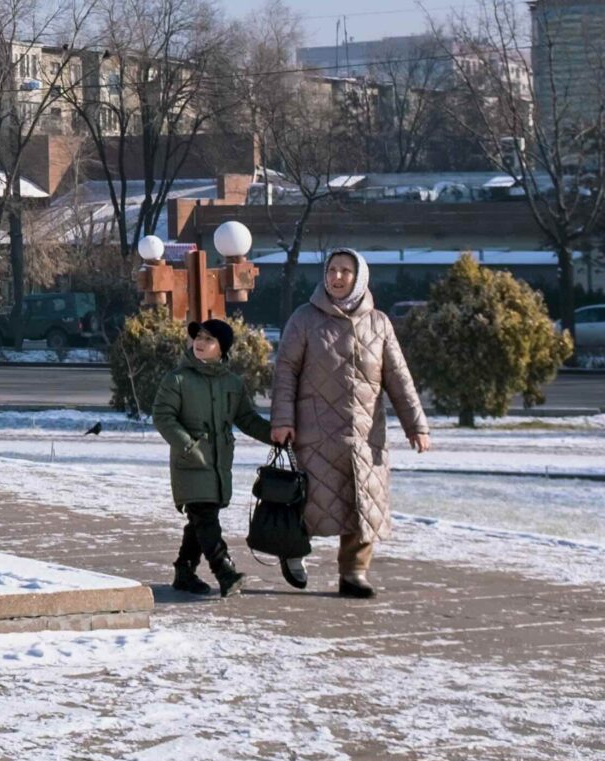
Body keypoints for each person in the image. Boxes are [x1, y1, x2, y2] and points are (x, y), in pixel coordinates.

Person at [272, 249, 431, 597]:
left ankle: (354, 573)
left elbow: (399, 379)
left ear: (359, 277)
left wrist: (416, 425)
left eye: (345, 271)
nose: (338, 277)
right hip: (314, 434)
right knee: (308, 501)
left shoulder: (379, 323)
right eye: (332, 270)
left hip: (364, 435)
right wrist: (282, 419)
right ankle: (293, 551)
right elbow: (285, 372)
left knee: (363, 503)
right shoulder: (303, 319)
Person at [151, 318, 275, 596]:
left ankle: (184, 571)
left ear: (222, 348)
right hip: (190, 463)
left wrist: (274, 435)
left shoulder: (232, 383)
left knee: (200, 521)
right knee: (205, 518)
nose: (200, 343)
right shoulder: (177, 379)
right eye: (199, 337)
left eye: (209, 339)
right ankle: (225, 571)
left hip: (219, 463)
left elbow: (246, 418)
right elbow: (162, 416)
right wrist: (188, 445)